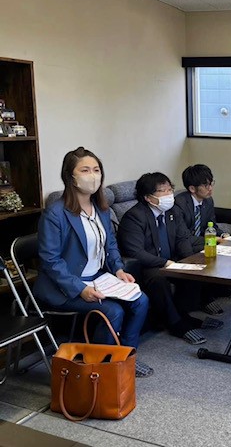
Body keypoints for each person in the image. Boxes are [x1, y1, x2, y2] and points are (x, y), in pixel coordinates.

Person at [34, 147, 153, 378]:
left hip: (98, 278)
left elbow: (110, 245)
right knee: (112, 311)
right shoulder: (55, 214)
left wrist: (118, 269)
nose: (93, 176)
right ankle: (98, 369)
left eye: (96, 170)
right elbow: (50, 260)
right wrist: (80, 289)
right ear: (70, 177)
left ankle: (125, 357)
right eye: (85, 170)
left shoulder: (101, 209)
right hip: (65, 286)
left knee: (141, 300)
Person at [118, 172, 223, 345]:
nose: (168, 195)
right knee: (158, 279)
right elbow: (135, 252)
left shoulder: (171, 211)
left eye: (170, 190)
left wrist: (190, 261)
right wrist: (165, 263)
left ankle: (184, 315)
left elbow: (182, 238)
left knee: (196, 267)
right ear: (148, 197)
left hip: (170, 260)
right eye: (162, 191)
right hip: (148, 266)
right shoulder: (135, 217)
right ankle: (176, 325)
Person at [174, 164, 231, 315]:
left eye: (211, 183)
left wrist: (223, 235)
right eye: (205, 185)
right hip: (184, 245)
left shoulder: (208, 201)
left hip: (200, 241)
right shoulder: (179, 203)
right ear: (192, 188)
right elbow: (183, 236)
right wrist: (213, 240)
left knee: (225, 248)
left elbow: (211, 225)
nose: (210, 188)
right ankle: (205, 299)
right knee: (208, 252)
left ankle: (220, 290)